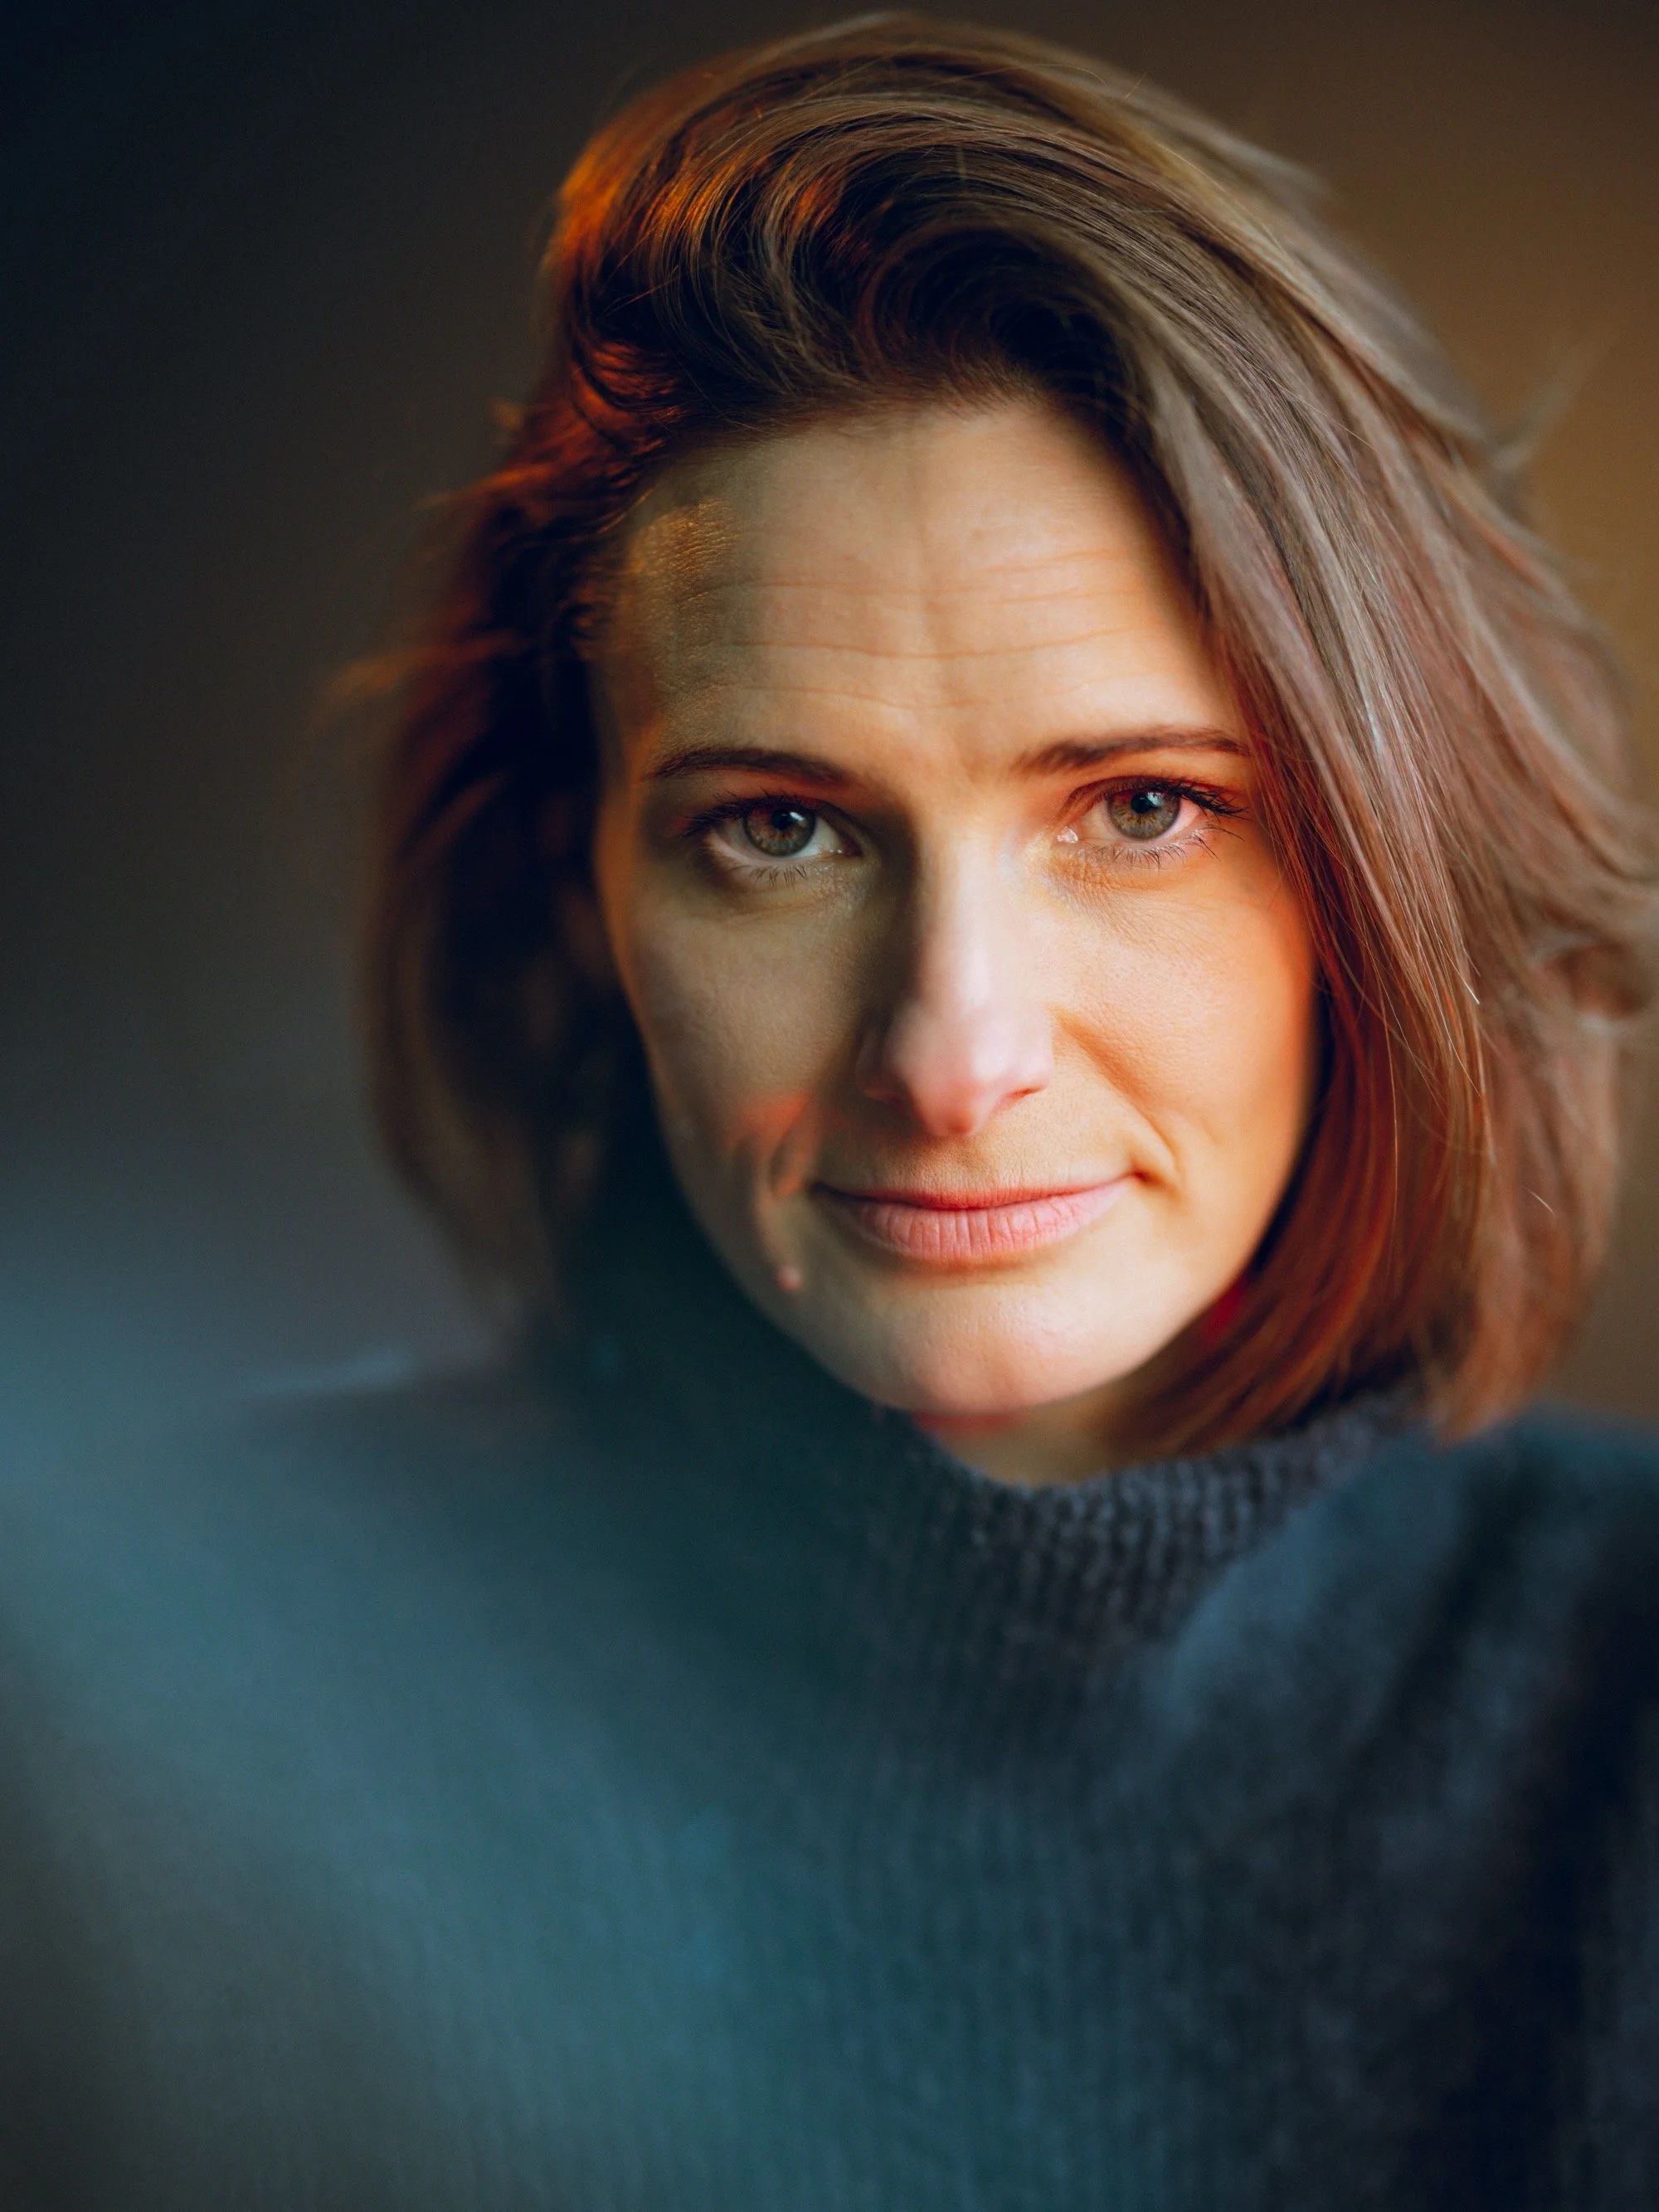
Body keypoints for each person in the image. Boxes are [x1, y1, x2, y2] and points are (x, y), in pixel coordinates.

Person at [2, 15, 1656, 2206]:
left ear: (1382, 870)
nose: (954, 1053)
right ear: (578, 891)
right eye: (779, 830)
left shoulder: (1619, 1720)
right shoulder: (134, 1726)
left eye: (1142, 809)